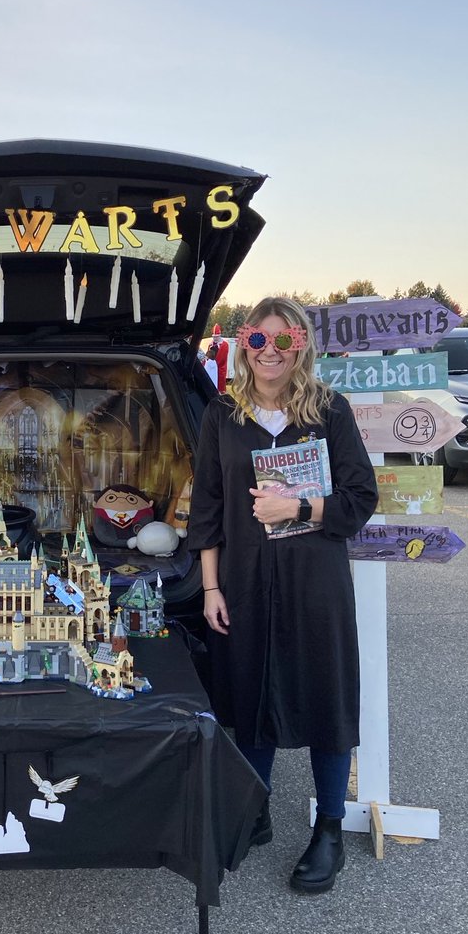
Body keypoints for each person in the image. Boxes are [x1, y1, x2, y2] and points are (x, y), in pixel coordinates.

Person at [187, 296, 377, 894]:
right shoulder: (224, 413)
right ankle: (258, 807)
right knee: (251, 690)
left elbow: (360, 498)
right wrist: (210, 586)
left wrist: (298, 507)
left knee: (325, 697)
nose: (270, 351)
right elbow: (209, 507)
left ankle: (328, 828)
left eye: (283, 340)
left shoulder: (329, 411)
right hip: (243, 579)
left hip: (314, 582)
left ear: (302, 347)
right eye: (258, 340)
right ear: (244, 346)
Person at [210, 323, 229, 393]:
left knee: (220, 386)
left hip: (220, 368)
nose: (214, 338)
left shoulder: (224, 345)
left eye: (216, 337)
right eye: (214, 337)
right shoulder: (211, 344)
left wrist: (213, 364)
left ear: (219, 336)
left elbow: (221, 359)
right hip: (212, 369)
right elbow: (208, 357)